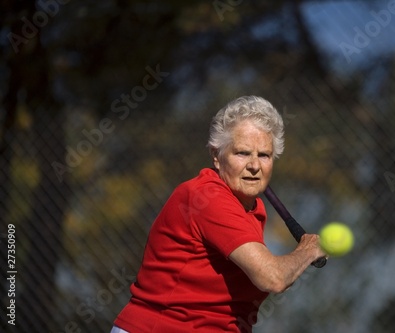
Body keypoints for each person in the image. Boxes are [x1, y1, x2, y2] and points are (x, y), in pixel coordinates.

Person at [111, 96, 325, 332]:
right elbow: (272, 277)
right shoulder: (208, 198)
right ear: (216, 156)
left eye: (263, 155)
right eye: (242, 153)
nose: (254, 165)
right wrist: (308, 249)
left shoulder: (253, 209)